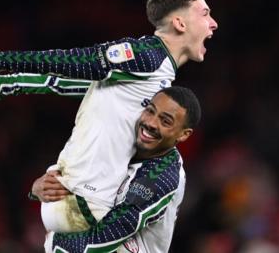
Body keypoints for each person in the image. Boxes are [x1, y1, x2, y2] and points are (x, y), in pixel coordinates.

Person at [0, 0, 217, 239]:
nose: (213, 23)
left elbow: (79, 85)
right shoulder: (148, 55)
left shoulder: (158, 74)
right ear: (180, 23)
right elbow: (74, 62)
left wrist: (6, 84)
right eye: (205, 14)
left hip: (74, 199)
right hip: (87, 205)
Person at [33, 86, 200, 252]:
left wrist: (56, 243)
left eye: (165, 121)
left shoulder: (163, 175)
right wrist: (41, 187)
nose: (151, 123)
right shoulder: (123, 140)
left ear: (183, 134)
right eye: (150, 111)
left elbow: (112, 233)